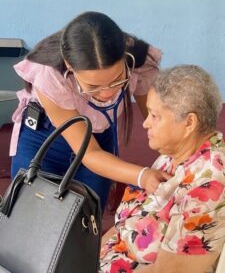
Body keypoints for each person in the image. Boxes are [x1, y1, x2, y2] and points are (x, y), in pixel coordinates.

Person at [10, 11, 170, 210]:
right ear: (70, 65)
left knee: (87, 219)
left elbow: (161, 122)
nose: (107, 94)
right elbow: (89, 153)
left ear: (124, 57)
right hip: (44, 139)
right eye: (93, 85)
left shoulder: (139, 61)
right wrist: (142, 176)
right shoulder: (49, 74)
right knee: (31, 215)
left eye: (116, 79)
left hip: (99, 136)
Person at [100, 64, 225, 273]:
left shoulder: (208, 184)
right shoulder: (172, 156)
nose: (145, 123)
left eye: (154, 115)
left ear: (189, 123)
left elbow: (168, 271)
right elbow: (124, 226)